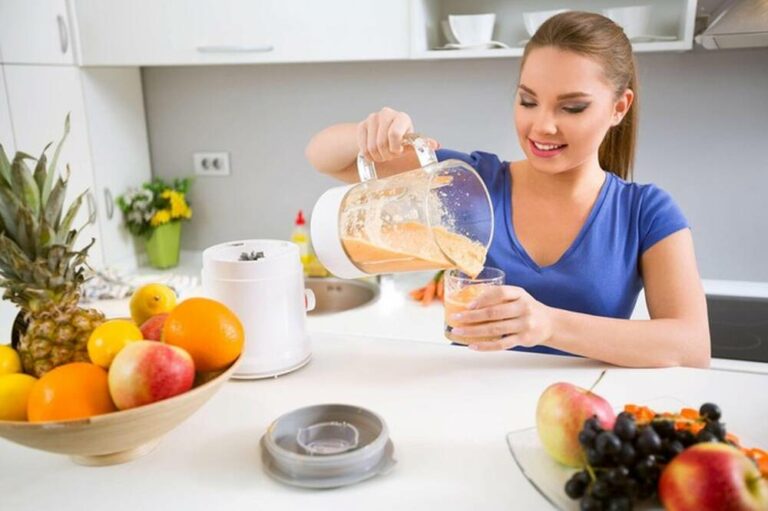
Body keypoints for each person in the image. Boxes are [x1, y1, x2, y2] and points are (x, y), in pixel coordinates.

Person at [304, 11, 710, 368]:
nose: (542, 126)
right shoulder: (469, 181)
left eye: (572, 107)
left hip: (586, 415)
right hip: (472, 407)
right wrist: (373, 131)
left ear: (618, 108)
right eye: (528, 101)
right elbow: (324, 156)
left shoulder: (645, 211)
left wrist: (547, 324)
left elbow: (691, 347)